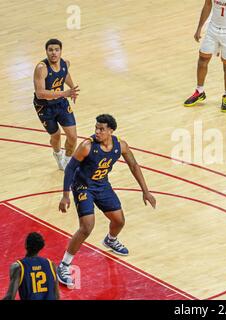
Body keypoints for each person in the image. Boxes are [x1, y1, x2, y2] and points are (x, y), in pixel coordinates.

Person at [56, 114, 157, 286]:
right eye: (96, 128)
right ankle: (64, 264)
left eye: (101, 129)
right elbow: (70, 168)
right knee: (87, 226)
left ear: (110, 130)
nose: (97, 131)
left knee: (119, 221)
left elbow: (134, 165)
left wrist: (145, 191)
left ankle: (110, 240)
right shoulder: (87, 146)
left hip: (102, 185)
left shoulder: (120, 146)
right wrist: (65, 195)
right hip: (83, 186)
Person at [183, 0, 226, 113]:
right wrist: (199, 27)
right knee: (202, 59)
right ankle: (200, 91)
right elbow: (208, 4)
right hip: (212, 29)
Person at [33, 38, 80, 170]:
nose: (54, 53)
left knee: (73, 136)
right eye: (50, 50)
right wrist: (64, 93)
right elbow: (40, 93)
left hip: (61, 103)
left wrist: (72, 88)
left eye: (56, 50)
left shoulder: (65, 63)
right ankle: (58, 154)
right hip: (44, 107)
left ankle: (67, 161)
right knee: (56, 135)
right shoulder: (41, 68)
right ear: (46, 52)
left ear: (60, 51)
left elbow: (64, 74)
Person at [3, 232, 59, 300]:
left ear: (26, 245)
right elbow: (56, 296)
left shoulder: (19, 267)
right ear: (41, 247)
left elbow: (10, 297)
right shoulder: (51, 264)